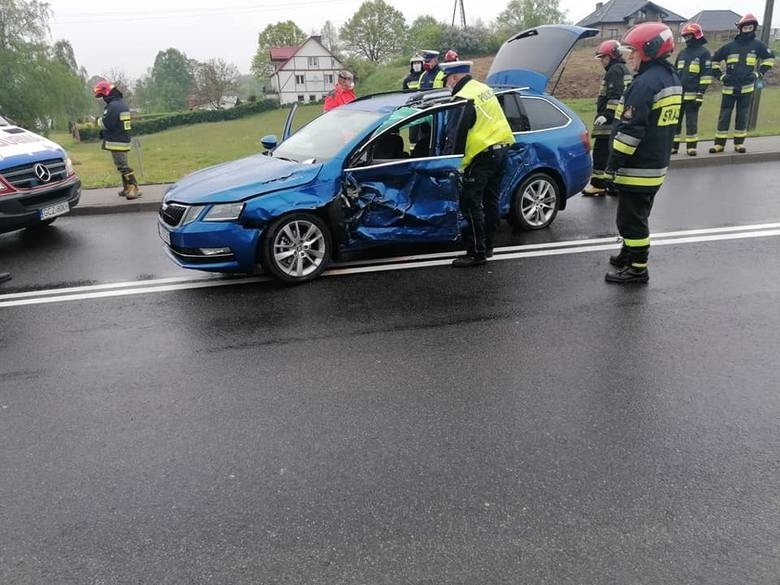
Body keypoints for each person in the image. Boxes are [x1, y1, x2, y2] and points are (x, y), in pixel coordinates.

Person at [604, 22, 681, 284]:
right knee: (638, 214)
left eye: (633, 52)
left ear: (650, 50)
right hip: (656, 163)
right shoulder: (670, 78)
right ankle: (628, 253)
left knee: (631, 220)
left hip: (638, 166)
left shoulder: (645, 84)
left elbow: (630, 132)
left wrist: (612, 166)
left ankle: (638, 267)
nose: (629, 57)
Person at [440, 60, 515, 267]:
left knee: (470, 203)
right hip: (500, 151)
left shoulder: (463, 98)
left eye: (447, 81)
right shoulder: (483, 89)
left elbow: (455, 138)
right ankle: (488, 246)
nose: (447, 85)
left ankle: (476, 252)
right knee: (491, 201)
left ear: (455, 77)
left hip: (482, 156)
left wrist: (453, 165)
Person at [709, 14, 775, 154]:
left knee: (742, 115)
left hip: (747, 88)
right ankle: (719, 144)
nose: (747, 29)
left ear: (754, 28)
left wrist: (758, 73)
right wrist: (720, 76)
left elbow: (769, 59)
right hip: (729, 88)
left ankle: (739, 144)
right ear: (740, 28)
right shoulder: (728, 46)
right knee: (724, 116)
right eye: (745, 27)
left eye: (750, 27)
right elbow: (713, 61)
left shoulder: (758, 46)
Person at [582, 39, 632, 196]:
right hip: (619, 120)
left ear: (612, 56)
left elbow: (615, 96)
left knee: (600, 153)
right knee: (613, 153)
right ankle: (612, 184)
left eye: (604, 57)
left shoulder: (614, 71)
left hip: (609, 121)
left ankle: (598, 185)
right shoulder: (623, 69)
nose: (601, 61)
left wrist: (606, 115)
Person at [93, 80, 141, 200]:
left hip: (117, 142)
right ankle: (126, 188)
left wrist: (97, 121)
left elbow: (107, 123)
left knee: (123, 166)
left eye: (102, 95)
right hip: (122, 139)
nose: (103, 98)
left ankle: (133, 188)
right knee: (121, 165)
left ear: (107, 92)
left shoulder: (113, 106)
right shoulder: (121, 103)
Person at [671, 23, 712, 156]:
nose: (687, 38)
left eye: (689, 36)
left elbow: (706, 75)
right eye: (685, 36)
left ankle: (691, 147)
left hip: (694, 96)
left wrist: (700, 93)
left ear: (697, 35)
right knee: (675, 122)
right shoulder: (682, 53)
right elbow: (675, 73)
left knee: (691, 121)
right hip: (679, 95)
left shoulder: (704, 53)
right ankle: (674, 147)